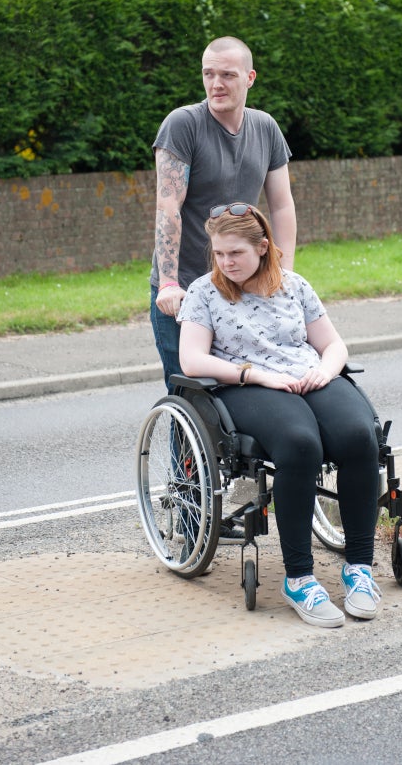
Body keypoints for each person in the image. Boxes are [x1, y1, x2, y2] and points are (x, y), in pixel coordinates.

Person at [177, 203, 382, 628]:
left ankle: (360, 567)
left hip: (309, 375)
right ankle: (299, 578)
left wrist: (326, 371)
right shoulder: (204, 292)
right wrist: (255, 374)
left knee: (359, 435)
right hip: (246, 385)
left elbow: (333, 345)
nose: (226, 262)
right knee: (299, 444)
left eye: (236, 253)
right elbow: (192, 359)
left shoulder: (293, 285)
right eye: (219, 253)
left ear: (263, 247)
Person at [150, 36, 296, 390]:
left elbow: (282, 205)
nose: (216, 84)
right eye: (208, 74)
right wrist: (168, 283)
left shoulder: (265, 127)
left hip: (243, 285)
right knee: (193, 393)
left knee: (247, 388)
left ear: (250, 78)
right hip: (186, 290)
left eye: (227, 75)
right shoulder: (183, 124)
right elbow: (168, 207)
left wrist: (285, 273)